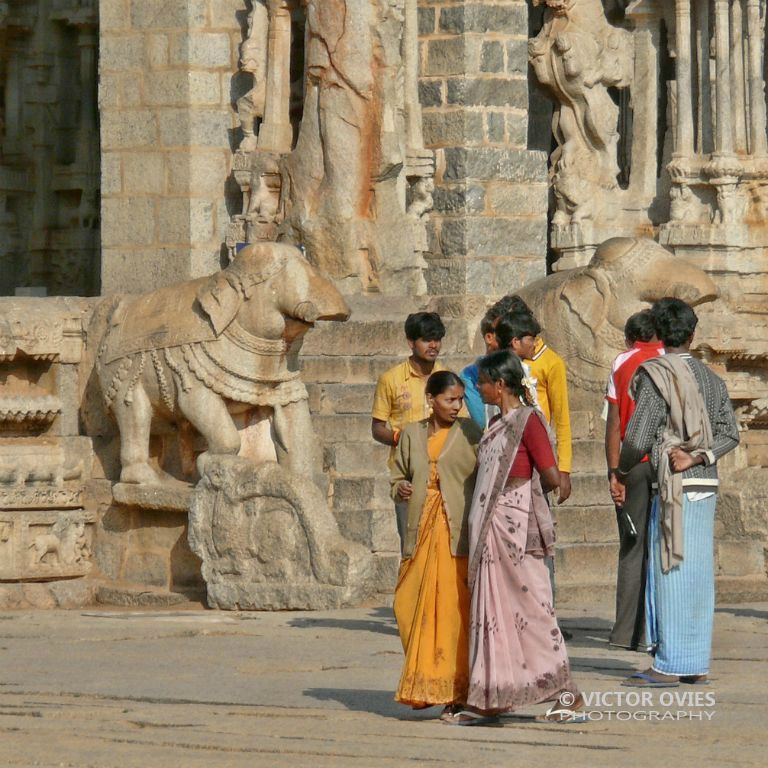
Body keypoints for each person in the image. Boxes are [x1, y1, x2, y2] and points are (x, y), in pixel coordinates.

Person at [451, 350, 582, 725]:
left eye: (484, 383)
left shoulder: (528, 421)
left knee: (533, 609)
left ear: (502, 384)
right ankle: (492, 696)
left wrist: (548, 486)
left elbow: (551, 473)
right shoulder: (496, 425)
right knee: (494, 612)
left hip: (517, 527)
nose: (479, 388)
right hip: (493, 531)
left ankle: (566, 693)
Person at [617, 299, 739, 687]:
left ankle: (668, 663)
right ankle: (695, 662)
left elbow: (637, 435)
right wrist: (701, 455)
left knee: (669, 567)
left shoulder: (654, 375)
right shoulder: (712, 380)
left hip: (672, 482)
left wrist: (622, 467)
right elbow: (729, 434)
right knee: (698, 571)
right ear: (692, 334)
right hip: (705, 482)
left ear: (657, 334)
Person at [390, 371, 483, 720]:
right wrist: (399, 489)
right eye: (449, 400)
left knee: (452, 613)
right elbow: (397, 475)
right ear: (430, 399)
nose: (456, 406)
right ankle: (424, 682)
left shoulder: (471, 433)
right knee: (406, 605)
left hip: (455, 531)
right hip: (420, 528)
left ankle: (455, 692)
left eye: (459, 399)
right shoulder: (411, 434)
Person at [604, 310, 664, 650]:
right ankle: (654, 633)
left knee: (632, 546)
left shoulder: (623, 362)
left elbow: (614, 422)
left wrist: (615, 472)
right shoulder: (671, 359)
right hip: (666, 461)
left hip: (630, 461)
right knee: (663, 547)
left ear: (630, 338)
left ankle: (625, 632)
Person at [372, 312, 448, 551]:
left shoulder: (446, 378)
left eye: (437, 339)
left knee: (442, 549)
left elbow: (459, 423)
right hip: (407, 476)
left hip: (442, 475)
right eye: (426, 339)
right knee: (411, 548)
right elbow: (377, 428)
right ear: (411, 342)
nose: (433, 345)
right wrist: (403, 439)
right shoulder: (391, 379)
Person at [495, 303, 572, 504]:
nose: (535, 343)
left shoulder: (551, 362)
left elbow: (562, 418)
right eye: (531, 337)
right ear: (515, 341)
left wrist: (564, 468)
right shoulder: (499, 364)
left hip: (535, 449)